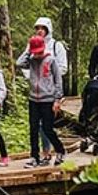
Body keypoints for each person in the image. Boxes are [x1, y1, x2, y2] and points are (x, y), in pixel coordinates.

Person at [17, 34, 66, 168]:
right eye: (35, 52)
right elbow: (19, 63)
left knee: (47, 128)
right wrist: (28, 51)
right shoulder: (31, 60)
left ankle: (60, 150)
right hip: (33, 99)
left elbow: (58, 80)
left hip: (48, 100)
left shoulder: (51, 60)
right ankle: (34, 157)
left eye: (39, 52)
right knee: (33, 129)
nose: (37, 55)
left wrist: (57, 99)